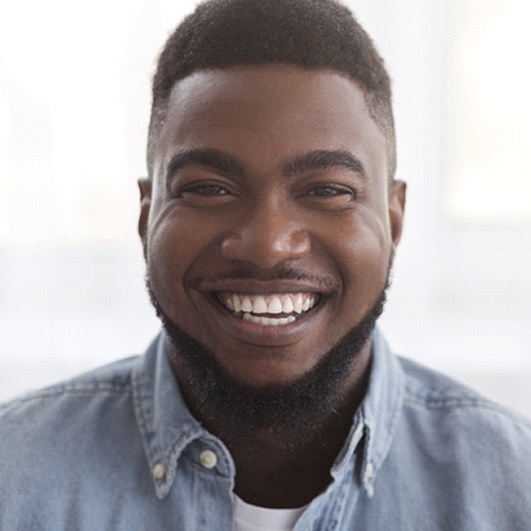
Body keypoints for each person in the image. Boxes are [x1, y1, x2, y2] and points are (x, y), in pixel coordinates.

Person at [1, 0, 530, 529]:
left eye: (327, 190)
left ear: (394, 219)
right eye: (208, 188)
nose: (268, 245)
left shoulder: (513, 486)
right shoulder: (15, 476)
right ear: (147, 214)